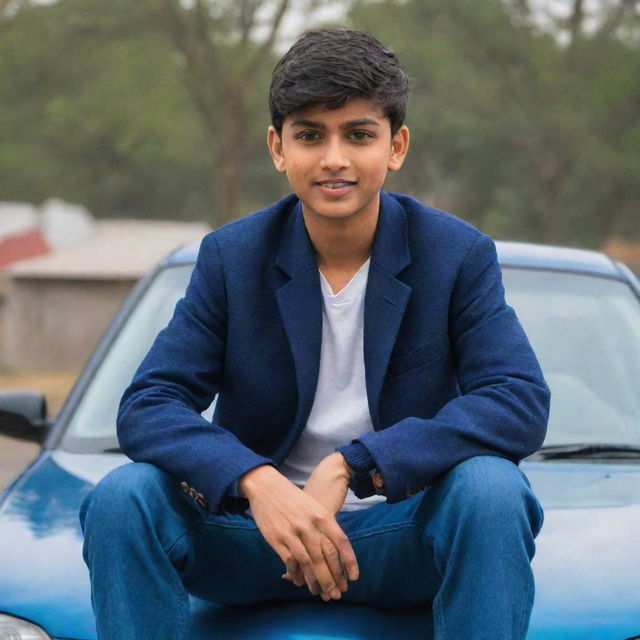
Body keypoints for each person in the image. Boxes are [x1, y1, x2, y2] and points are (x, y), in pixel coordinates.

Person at [80, 28, 549, 640]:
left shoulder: (456, 255)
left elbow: (517, 400)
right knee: (123, 497)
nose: (334, 158)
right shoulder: (231, 257)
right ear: (277, 148)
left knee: (492, 489)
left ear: (396, 145)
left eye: (358, 134)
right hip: (257, 541)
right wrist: (257, 481)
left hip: (399, 537)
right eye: (309, 135)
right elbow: (148, 405)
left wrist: (354, 466)